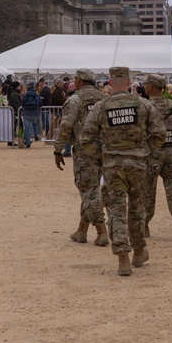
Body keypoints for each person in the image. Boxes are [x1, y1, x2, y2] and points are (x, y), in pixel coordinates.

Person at [79, 66, 165, 277]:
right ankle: (138, 250)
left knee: (116, 210)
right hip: (138, 163)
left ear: (110, 82)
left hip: (112, 164)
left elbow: (85, 138)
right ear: (128, 82)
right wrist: (145, 150)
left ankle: (122, 257)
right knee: (137, 208)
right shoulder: (143, 105)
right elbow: (159, 134)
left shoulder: (101, 107)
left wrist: (103, 153)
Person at [55, 69, 108, 246]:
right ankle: (82, 230)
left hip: (85, 151)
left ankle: (102, 231)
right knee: (91, 189)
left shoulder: (75, 100)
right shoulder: (104, 98)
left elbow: (66, 125)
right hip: (104, 149)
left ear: (78, 81)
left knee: (88, 190)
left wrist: (58, 149)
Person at [141, 74, 172, 240]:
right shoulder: (171, 105)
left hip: (152, 153)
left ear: (152, 87)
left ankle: (145, 225)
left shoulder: (146, 106)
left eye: (147, 83)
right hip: (170, 152)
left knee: (148, 190)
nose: (144, 86)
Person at [20, 83, 43, 147]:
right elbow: (41, 104)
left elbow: (22, 103)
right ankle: (36, 135)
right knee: (35, 124)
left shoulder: (25, 95)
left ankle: (28, 142)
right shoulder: (37, 95)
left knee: (27, 129)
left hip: (26, 113)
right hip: (34, 113)